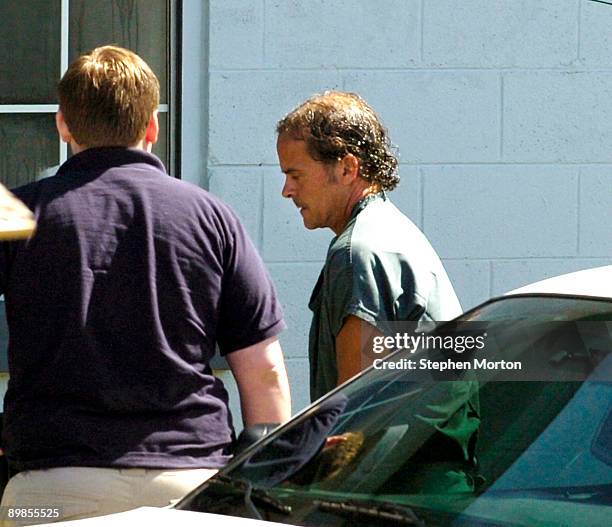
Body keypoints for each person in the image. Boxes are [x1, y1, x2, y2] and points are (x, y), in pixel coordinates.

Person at [0, 45, 291, 523]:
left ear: (63, 124)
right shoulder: (212, 218)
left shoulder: (19, 214)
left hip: (50, 492)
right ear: (151, 127)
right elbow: (265, 372)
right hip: (190, 485)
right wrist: (270, 481)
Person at [276, 91, 462, 401]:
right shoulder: (392, 231)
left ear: (348, 168)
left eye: (296, 175)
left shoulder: (357, 253)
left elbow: (358, 413)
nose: (287, 190)